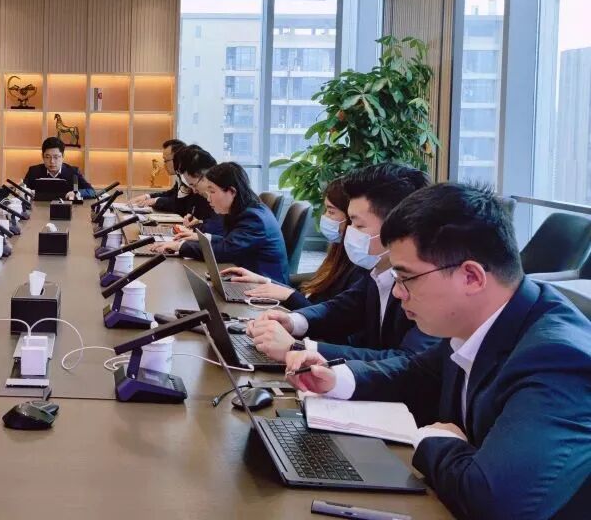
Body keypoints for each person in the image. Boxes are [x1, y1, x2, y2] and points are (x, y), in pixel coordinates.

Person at [284, 183, 591, 519]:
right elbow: (418, 372)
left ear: (471, 277)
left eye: (407, 278)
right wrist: (335, 378)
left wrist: (435, 439)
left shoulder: (558, 361)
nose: (398, 293)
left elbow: (494, 502)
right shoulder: (484, 319)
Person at [246, 163, 439, 363]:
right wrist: (292, 321)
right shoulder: (376, 272)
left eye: (358, 225)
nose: (348, 231)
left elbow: (408, 362)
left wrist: (299, 348)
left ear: (397, 227)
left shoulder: (427, 285)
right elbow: (343, 308)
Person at [220, 176, 368, 310]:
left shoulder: (360, 263)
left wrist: (289, 295)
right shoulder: (339, 250)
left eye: (331, 211)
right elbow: (318, 287)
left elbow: (326, 318)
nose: (324, 217)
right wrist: (265, 281)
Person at [154, 162, 290, 285]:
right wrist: (203, 238)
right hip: (245, 278)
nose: (208, 198)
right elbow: (230, 242)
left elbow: (226, 250)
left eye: (212, 191)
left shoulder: (253, 218)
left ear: (232, 191)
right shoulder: (245, 209)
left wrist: (180, 246)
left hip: (267, 289)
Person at [22, 137, 95, 200]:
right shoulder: (34, 171)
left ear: (63, 156)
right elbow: (22, 189)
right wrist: (25, 191)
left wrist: (76, 193)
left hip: (66, 210)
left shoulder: (73, 172)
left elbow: (91, 191)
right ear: (42, 156)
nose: (52, 161)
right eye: (47, 157)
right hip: (37, 209)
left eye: (56, 157)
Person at [127, 139, 186, 209]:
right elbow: (170, 194)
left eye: (165, 160)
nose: (164, 165)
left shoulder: (188, 178)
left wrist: (155, 200)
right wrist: (147, 196)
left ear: (178, 159)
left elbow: (180, 203)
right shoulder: (180, 175)